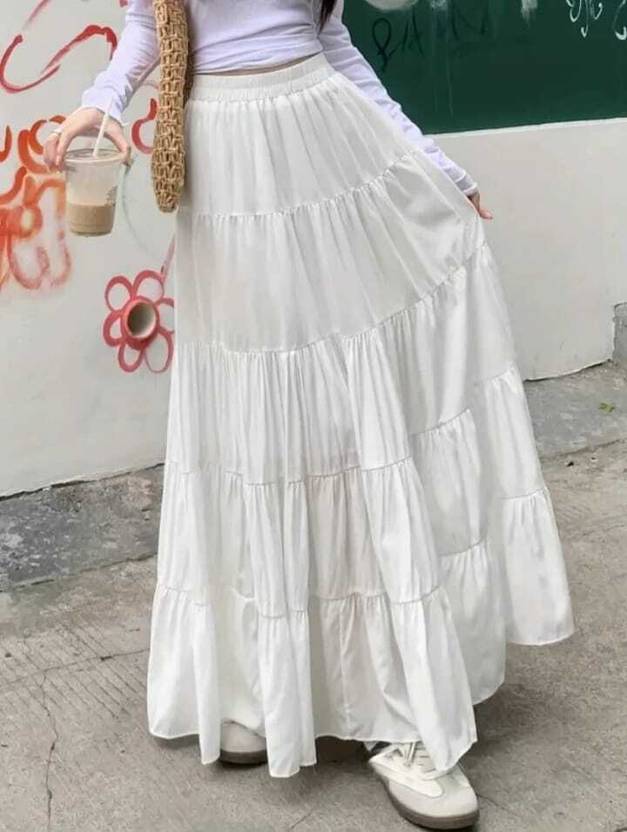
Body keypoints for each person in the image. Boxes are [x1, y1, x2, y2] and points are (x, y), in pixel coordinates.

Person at [44, 1, 574, 828]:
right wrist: (101, 102)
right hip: (226, 168)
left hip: (326, 144)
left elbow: (331, 39)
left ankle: (404, 714)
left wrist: (432, 161)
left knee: (354, 425)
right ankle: (270, 685)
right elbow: (149, 24)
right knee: (254, 428)